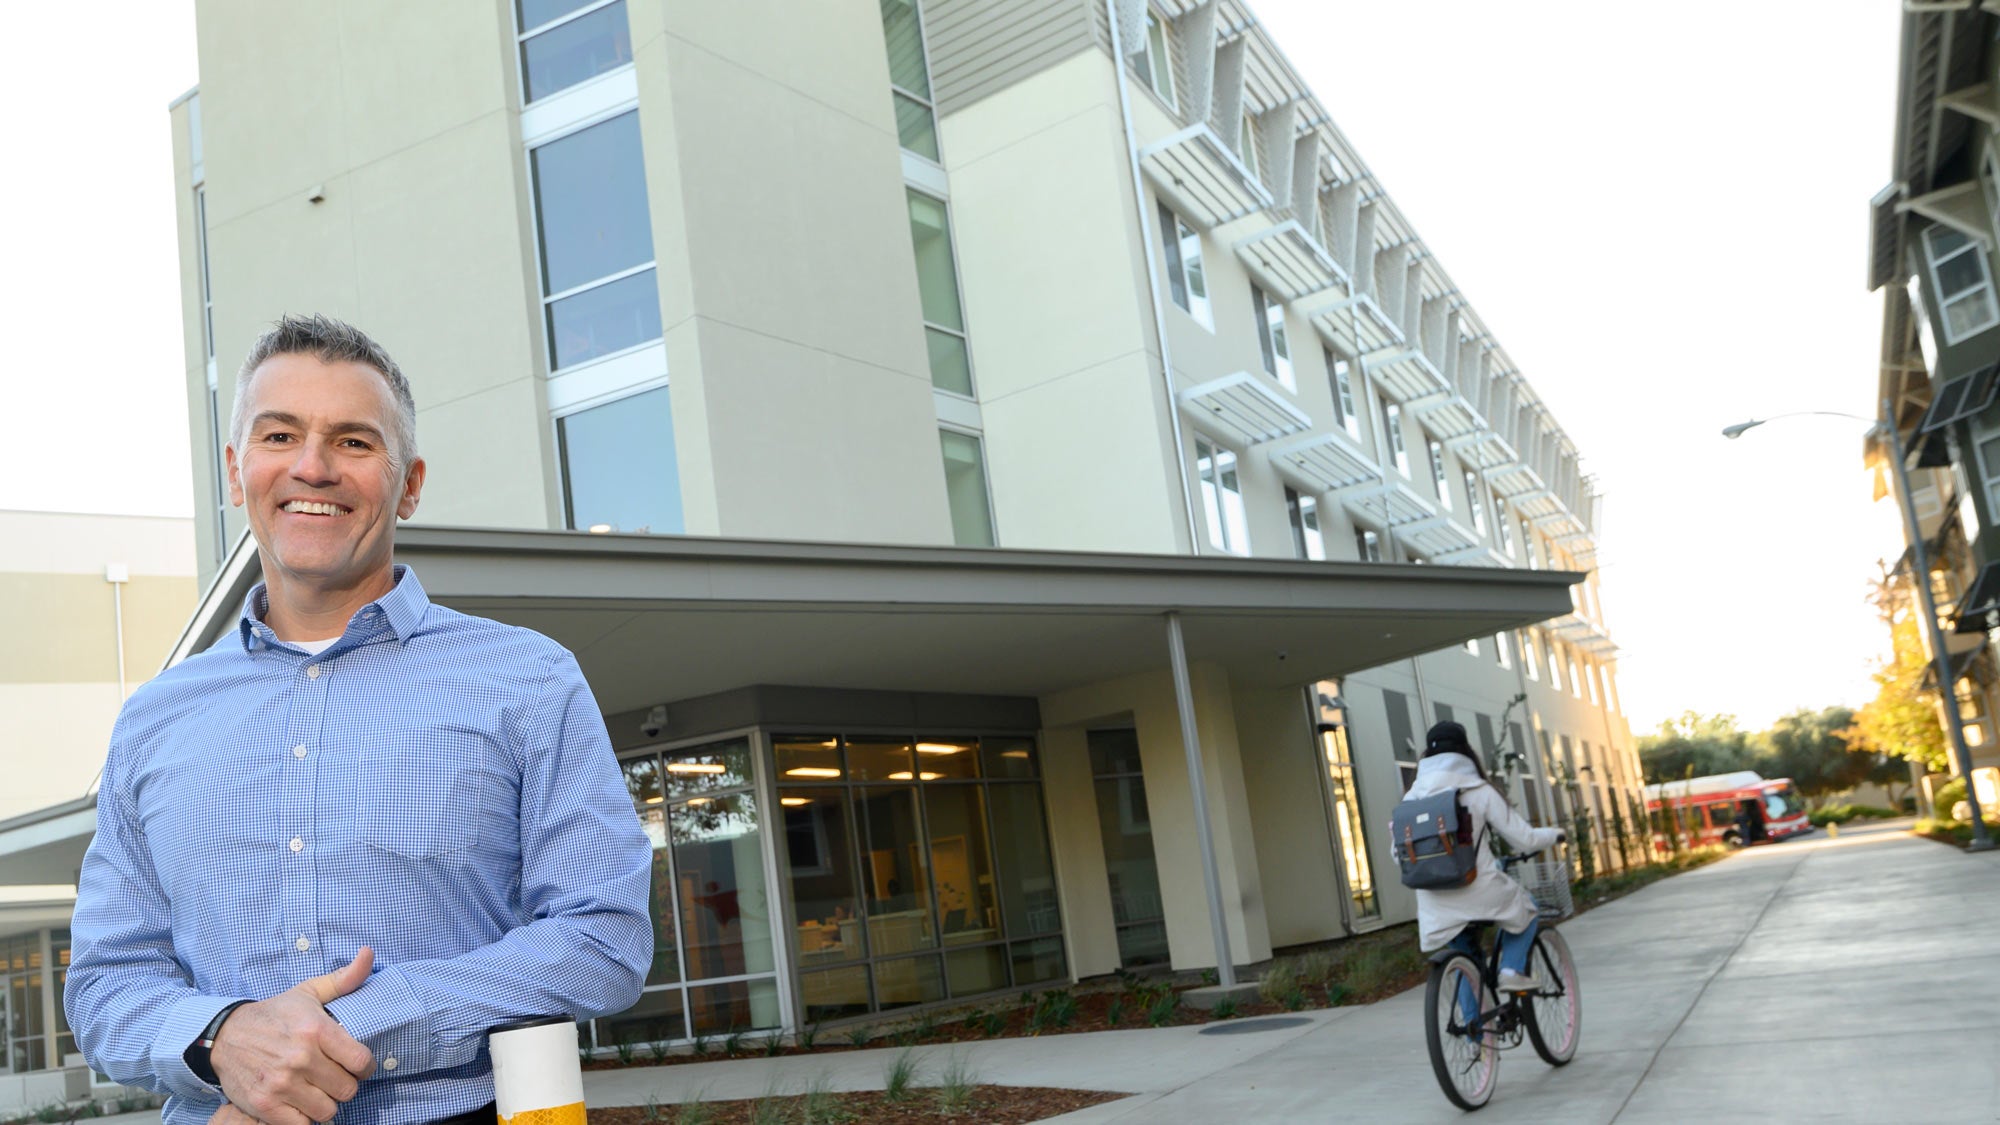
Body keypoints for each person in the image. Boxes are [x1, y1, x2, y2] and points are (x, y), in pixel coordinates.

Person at [65, 315, 655, 1125]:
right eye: (280, 434)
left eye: (352, 441)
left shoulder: (529, 678)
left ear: (408, 482)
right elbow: (105, 981)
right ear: (238, 472)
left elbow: (602, 937)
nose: (313, 466)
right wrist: (223, 1040)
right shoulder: (152, 719)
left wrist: (344, 1028)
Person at [1407, 721, 1564, 993]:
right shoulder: (1478, 790)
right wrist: (1555, 834)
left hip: (1434, 900)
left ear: (1427, 757)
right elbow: (1523, 839)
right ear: (1465, 751)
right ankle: (1511, 970)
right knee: (1528, 907)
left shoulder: (1410, 798)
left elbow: (1397, 853)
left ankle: (1474, 1032)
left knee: (1464, 962)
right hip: (1478, 888)